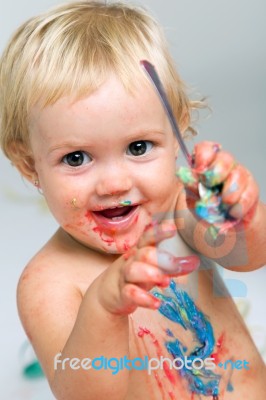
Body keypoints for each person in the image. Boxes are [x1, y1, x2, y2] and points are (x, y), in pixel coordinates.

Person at [0, 1, 265, 399]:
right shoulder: (47, 283)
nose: (114, 183)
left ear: (178, 133)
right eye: (76, 158)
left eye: (138, 147)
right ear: (29, 165)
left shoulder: (179, 211)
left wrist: (238, 213)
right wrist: (104, 308)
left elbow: (249, 256)